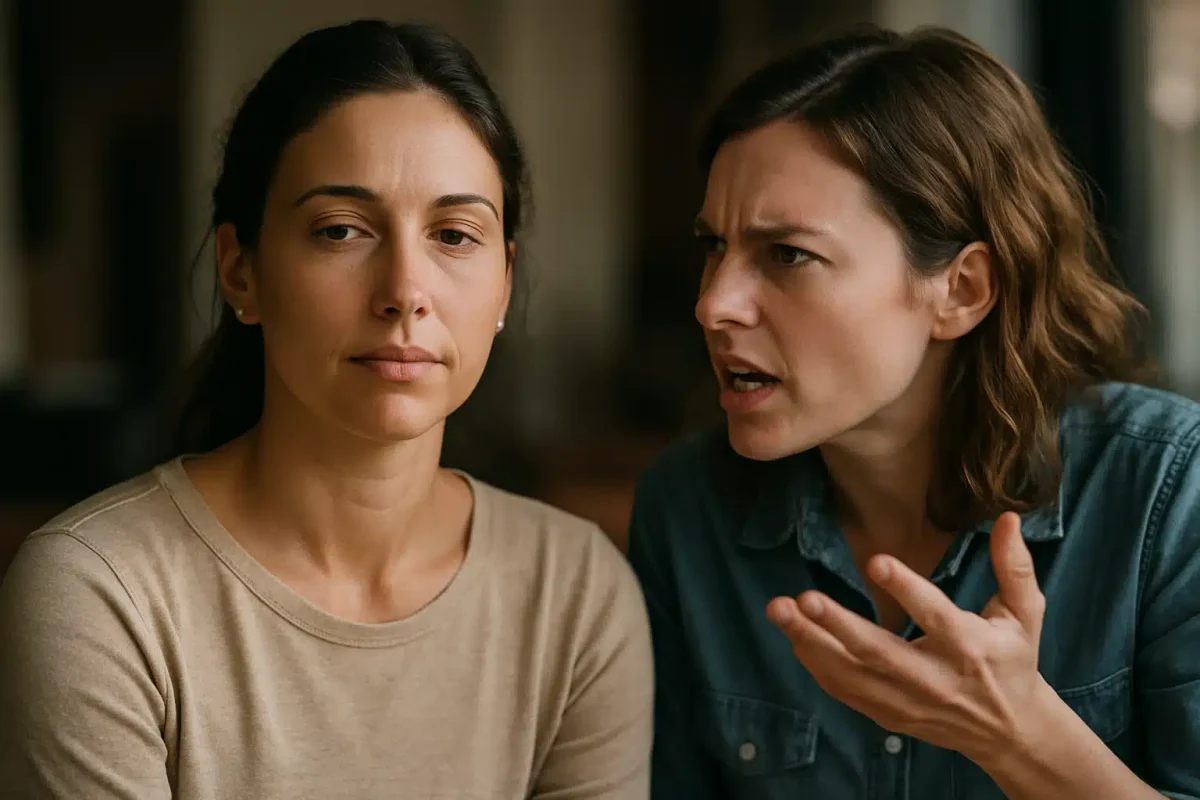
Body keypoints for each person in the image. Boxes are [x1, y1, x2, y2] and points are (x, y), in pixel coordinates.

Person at [0, 20, 652, 799]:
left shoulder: (575, 591)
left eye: (454, 234)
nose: (405, 291)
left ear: (505, 281)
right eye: (341, 229)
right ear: (241, 272)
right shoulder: (102, 594)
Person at [628, 25, 1200, 800]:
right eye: (713, 247)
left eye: (787, 254)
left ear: (961, 290)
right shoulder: (686, 508)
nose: (712, 305)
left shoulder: (1169, 493)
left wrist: (1022, 738)